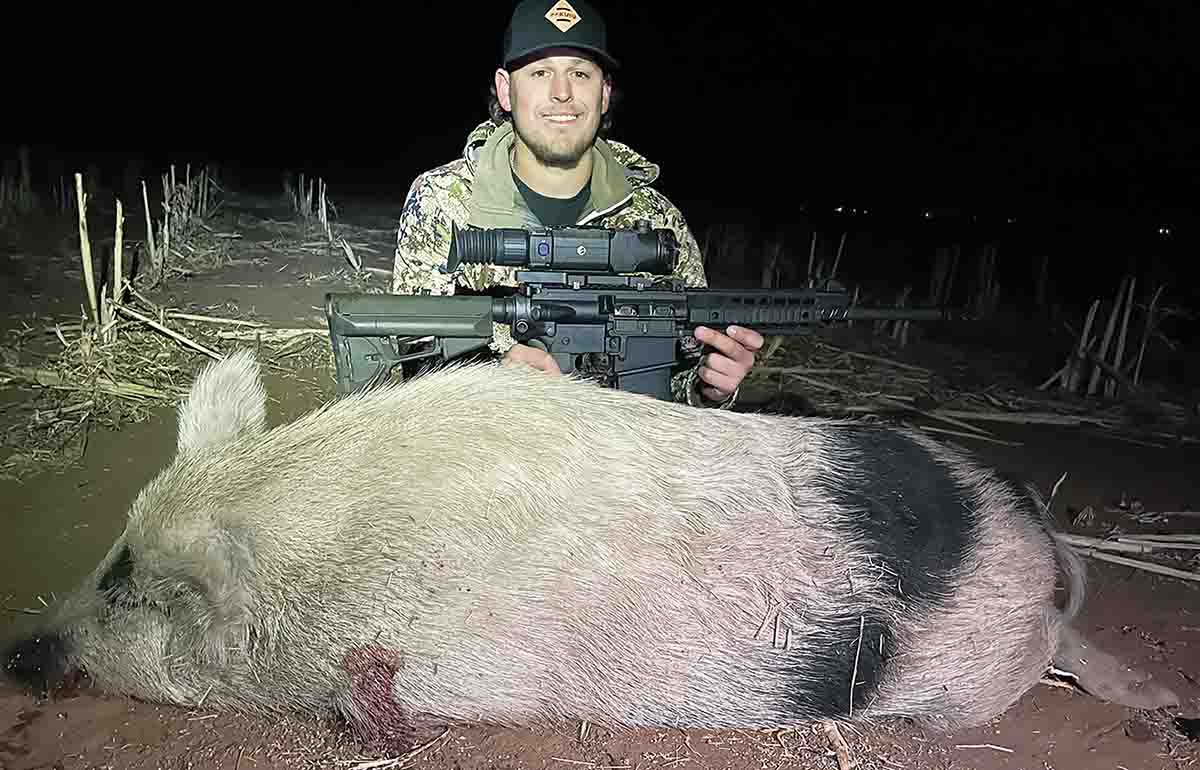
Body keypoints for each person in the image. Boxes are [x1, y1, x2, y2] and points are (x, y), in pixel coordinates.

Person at [390, 0, 763, 407]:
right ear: (505, 90)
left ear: (604, 95)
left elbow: (668, 389)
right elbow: (415, 365)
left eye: (580, 73)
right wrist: (491, 385)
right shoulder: (444, 201)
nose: (562, 93)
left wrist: (708, 388)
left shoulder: (658, 221)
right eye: (540, 72)